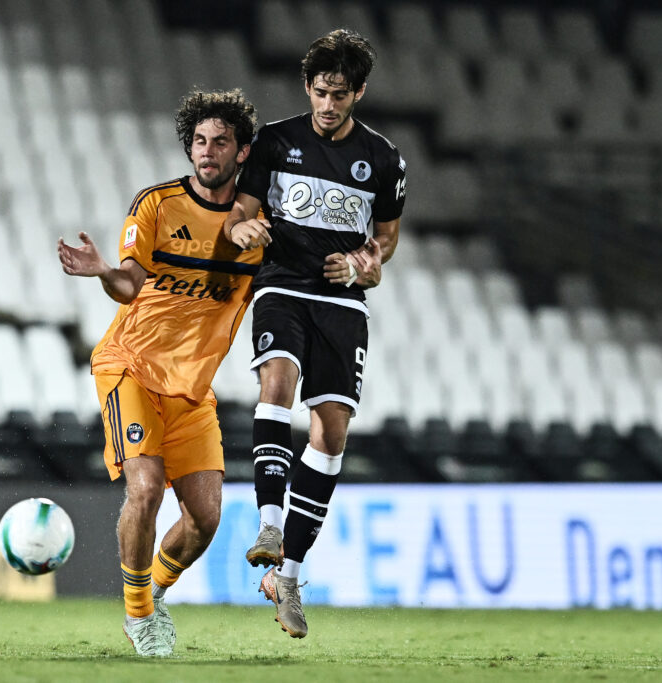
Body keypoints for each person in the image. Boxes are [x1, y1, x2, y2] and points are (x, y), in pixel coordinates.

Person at [57, 89, 259, 657]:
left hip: (192, 391)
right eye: (198, 141)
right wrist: (101, 271)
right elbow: (128, 282)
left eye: (220, 141)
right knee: (144, 488)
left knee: (206, 519)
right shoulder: (157, 205)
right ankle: (139, 614)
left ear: (243, 152)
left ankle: (154, 591)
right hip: (132, 368)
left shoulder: (258, 226)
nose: (206, 151)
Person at [222, 29, 406, 639]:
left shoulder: (382, 159)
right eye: (320, 93)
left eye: (340, 95)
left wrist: (363, 263)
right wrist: (242, 230)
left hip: (342, 304)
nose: (328, 106)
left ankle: (289, 578)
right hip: (282, 284)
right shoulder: (277, 141)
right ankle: (269, 524)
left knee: (331, 430)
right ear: (308, 88)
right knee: (277, 383)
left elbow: (386, 239)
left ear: (359, 93)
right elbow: (241, 213)